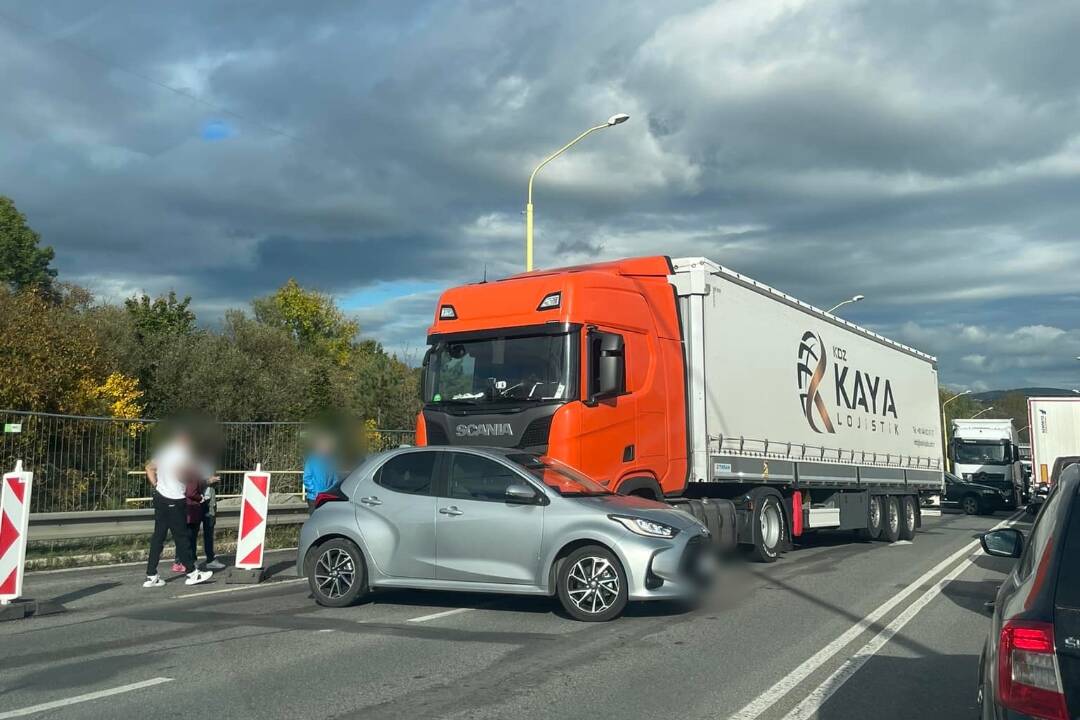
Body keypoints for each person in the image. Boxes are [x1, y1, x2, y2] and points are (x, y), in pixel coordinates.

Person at [143, 429, 213, 587]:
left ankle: (151, 575)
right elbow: (181, 475)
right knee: (182, 537)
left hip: (160, 497)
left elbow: (149, 467)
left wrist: (157, 485)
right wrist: (192, 476)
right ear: (185, 440)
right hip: (175, 498)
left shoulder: (165, 452)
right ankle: (192, 573)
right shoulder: (184, 454)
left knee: (158, 537)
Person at [303, 433, 338, 511]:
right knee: (315, 520)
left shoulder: (332, 461)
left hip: (327, 497)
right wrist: (315, 492)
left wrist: (331, 493)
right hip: (314, 497)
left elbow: (335, 479)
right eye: (324, 445)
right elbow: (307, 478)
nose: (326, 448)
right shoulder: (312, 460)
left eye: (328, 446)